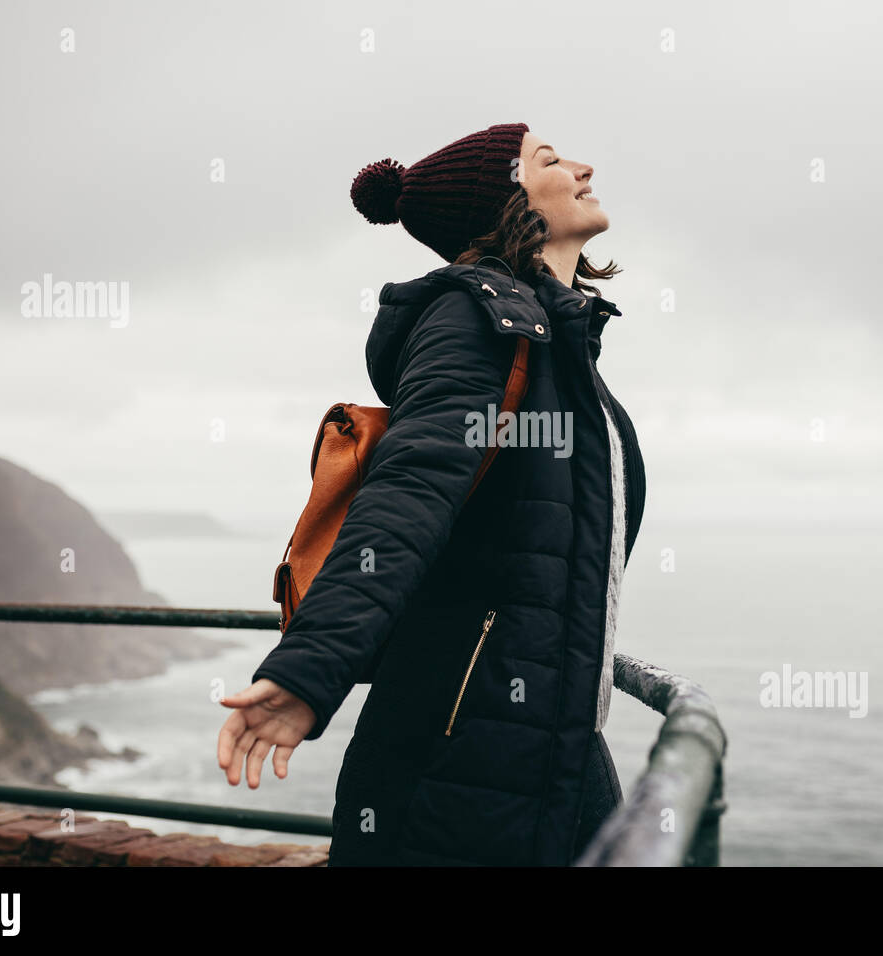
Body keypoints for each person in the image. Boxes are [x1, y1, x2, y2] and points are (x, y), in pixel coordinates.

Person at [216, 122, 646, 865]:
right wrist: (308, 671)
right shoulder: (475, 317)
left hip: (554, 733)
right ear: (509, 197)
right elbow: (408, 494)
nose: (582, 165)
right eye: (549, 159)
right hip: (464, 748)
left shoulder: (554, 337)